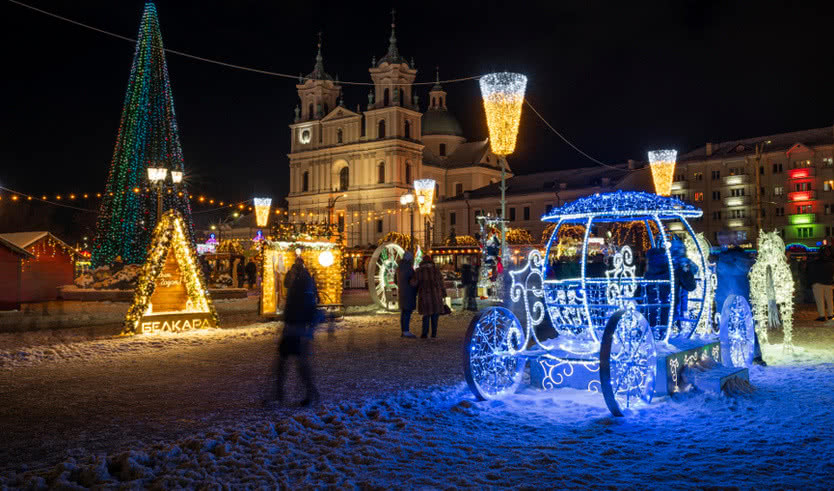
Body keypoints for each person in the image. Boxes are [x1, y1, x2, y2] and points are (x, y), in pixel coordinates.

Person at [271, 258, 320, 406]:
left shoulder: (302, 283)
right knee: (288, 364)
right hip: (294, 328)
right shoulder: (300, 281)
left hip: (297, 329)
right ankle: (282, 394)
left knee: (296, 365)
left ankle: (309, 394)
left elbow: (305, 305)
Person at [715, 247, 766, 366]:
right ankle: (756, 355)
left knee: (724, 329)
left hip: (724, 299)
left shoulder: (721, 262)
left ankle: (724, 356)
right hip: (741, 299)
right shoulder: (743, 263)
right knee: (748, 328)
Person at [412, 254, 447, 338]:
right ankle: (434, 333)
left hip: (425, 296)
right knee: (435, 315)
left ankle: (425, 333)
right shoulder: (436, 271)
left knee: (426, 315)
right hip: (436, 296)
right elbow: (442, 283)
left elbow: (414, 283)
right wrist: (444, 294)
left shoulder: (419, 271)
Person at [809, 246, 834, 321]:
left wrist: (811, 283)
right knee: (829, 300)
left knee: (820, 300)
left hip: (818, 283)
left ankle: (822, 315)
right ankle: (830, 314)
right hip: (829, 283)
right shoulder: (831, 263)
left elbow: (811, 273)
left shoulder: (814, 263)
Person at [396, 251, 418, 338]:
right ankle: (406, 331)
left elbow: (395, 280)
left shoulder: (399, 267)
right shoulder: (408, 268)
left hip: (402, 292)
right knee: (407, 312)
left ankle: (404, 330)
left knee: (404, 312)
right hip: (409, 292)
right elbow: (412, 280)